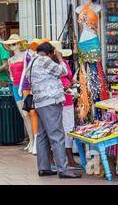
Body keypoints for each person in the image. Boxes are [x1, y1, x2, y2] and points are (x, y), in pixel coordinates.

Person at [26, 42, 81, 179]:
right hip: (50, 102)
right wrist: (61, 59)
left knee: (42, 136)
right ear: (50, 53)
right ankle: (63, 168)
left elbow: (29, 78)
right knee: (57, 135)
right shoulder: (45, 60)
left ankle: (43, 167)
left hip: (39, 103)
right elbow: (63, 72)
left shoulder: (32, 62)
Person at [49, 41, 82, 170]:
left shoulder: (65, 63)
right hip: (56, 100)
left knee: (68, 128)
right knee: (55, 128)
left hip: (67, 99)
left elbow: (67, 76)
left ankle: (69, 158)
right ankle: (53, 158)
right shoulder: (50, 65)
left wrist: (72, 82)